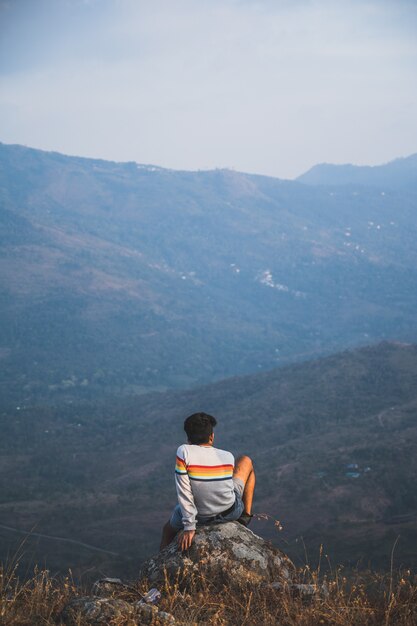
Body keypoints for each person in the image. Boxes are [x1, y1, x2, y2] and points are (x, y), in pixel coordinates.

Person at [160, 412, 256, 551]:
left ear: (188, 438)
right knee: (246, 461)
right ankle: (245, 516)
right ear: (212, 436)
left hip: (199, 517)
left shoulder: (183, 451)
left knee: (167, 530)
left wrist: (189, 526)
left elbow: (184, 491)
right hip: (230, 511)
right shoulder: (228, 456)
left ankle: (159, 566)